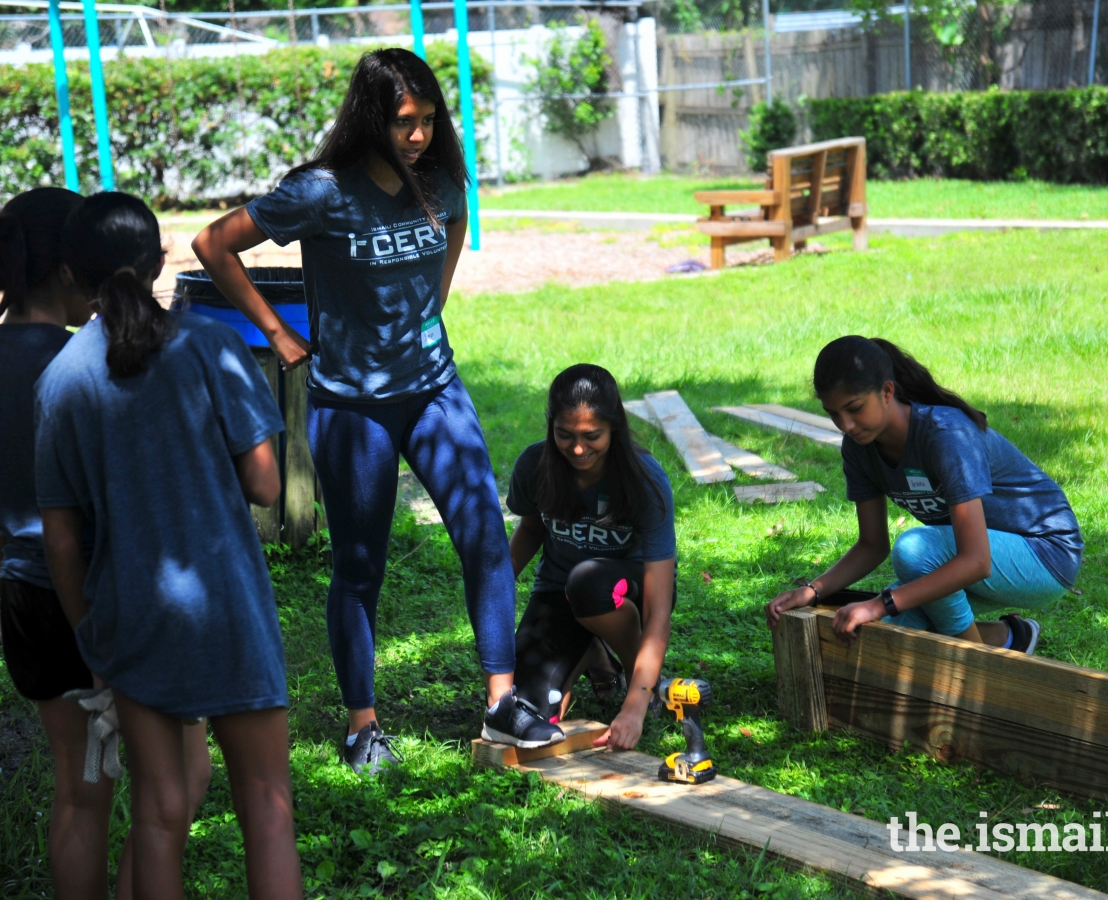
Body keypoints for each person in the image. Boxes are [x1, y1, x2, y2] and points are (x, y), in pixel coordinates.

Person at [191, 47, 559, 774]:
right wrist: (278, 333)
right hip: (352, 405)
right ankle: (364, 727)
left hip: (434, 388)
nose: (418, 134)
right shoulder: (320, 192)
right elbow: (214, 244)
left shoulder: (442, 181)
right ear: (371, 119)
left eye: (427, 120)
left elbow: (454, 229)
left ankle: (502, 699)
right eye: (403, 122)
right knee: (360, 566)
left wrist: (432, 306)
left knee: (485, 533)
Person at [0, 187, 210, 900]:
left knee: (79, 790)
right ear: (67, 268)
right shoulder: (80, 367)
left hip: (27, 601)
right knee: (184, 777)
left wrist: (17, 602)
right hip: (104, 598)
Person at [34, 192, 302, 900]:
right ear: (159, 261)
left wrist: (90, 629)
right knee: (267, 808)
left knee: (157, 817)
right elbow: (268, 487)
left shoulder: (60, 382)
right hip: (229, 609)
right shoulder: (210, 344)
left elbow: (59, 537)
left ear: (72, 273)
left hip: (132, 618)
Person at [766, 336, 1082, 654]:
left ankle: (979, 669)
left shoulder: (946, 436)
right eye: (833, 414)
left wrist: (879, 604)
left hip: (1044, 554)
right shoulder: (859, 449)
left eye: (855, 408)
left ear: (887, 392)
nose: (845, 425)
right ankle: (1010, 637)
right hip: (978, 558)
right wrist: (813, 590)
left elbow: (976, 561)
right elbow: (872, 546)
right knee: (890, 631)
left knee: (914, 551)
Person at [508, 364, 677, 750]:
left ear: (614, 428)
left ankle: (642, 682)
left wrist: (635, 705)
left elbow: (657, 609)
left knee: (587, 582)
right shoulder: (534, 466)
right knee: (532, 709)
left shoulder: (645, 481)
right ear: (551, 426)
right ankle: (595, 651)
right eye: (565, 435)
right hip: (558, 592)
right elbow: (532, 529)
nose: (578, 449)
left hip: (621, 591)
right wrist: (494, 588)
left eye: (591, 436)